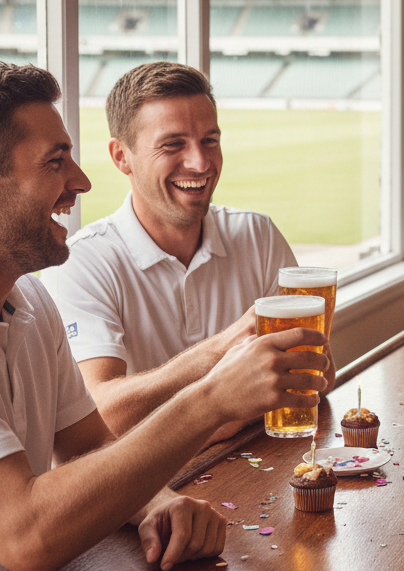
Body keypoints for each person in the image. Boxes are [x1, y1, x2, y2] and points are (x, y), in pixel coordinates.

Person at [0, 62, 328, 571]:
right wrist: (213, 396)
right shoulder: (79, 265)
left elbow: (90, 446)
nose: (80, 182)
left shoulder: (29, 298)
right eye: (55, 162)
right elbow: (27, 539)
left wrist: (157, 503)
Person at [41, 61, 335, 440]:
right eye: (173, 144)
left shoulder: (258, 234)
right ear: (121, 157)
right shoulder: (81, 261)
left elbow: (317, 375)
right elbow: (101, 419)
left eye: (210, 140)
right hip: (148, 494)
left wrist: (222, 418)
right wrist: (219, 355)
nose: (200, 163)